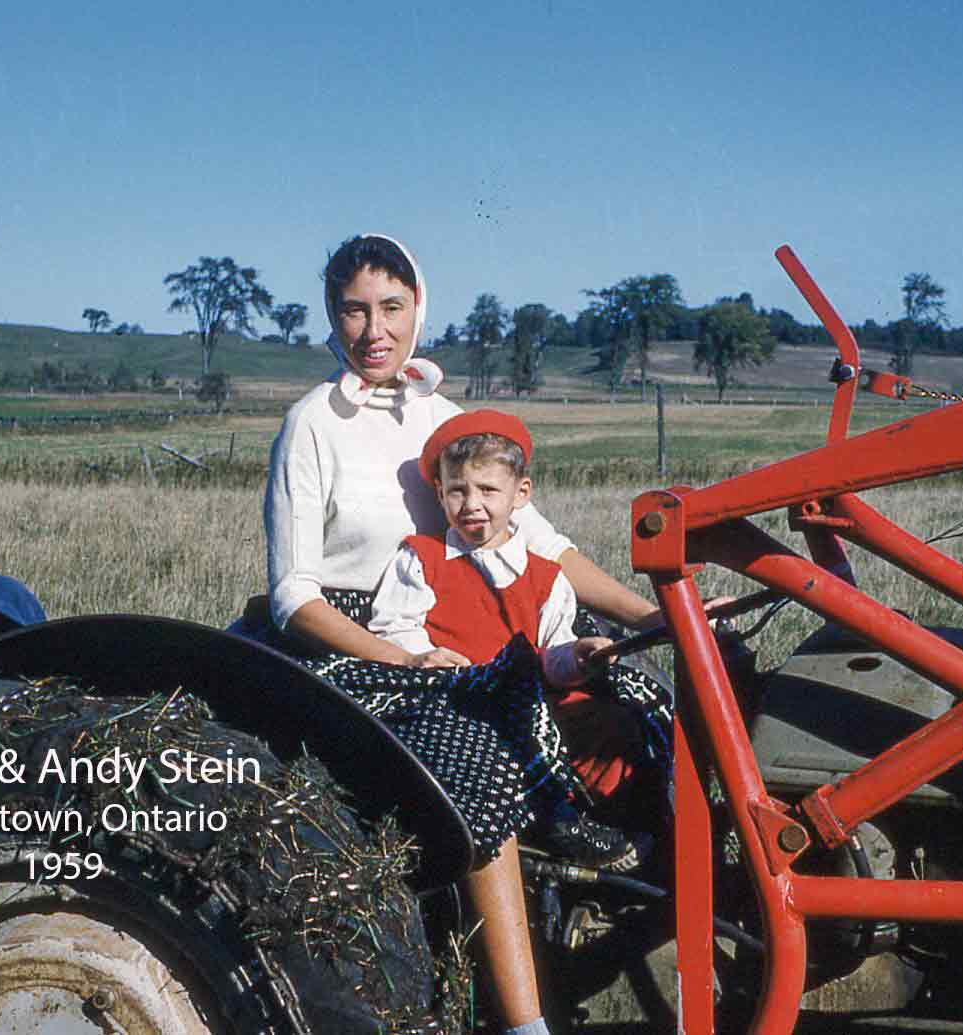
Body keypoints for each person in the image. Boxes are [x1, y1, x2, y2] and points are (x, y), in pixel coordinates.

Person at [259, 233, 669, 1035]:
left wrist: (650, 618)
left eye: (392, 307)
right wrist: (405, 658)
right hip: (360, 644)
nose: (374, 329)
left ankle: (649, 923)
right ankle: (524, 1022)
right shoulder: (311, 424)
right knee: (479, 761)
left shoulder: (446, 420)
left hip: (471, 624)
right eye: (353, 310)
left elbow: (540, 545)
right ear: (331, 317)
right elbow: (292, 598)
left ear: (419, 308)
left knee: (646, 701)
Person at [369, 408, 667, 870]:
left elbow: (555, 650)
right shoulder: (421, 558)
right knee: (514, 730)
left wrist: (580, 656)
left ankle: (631, 825)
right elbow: (394, 624)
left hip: (534, 692)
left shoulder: (546, 576)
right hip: (458, 693)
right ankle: (556, 820)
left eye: (488, 490)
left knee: (614, 723)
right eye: (457, 491)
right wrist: (421, 654)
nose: (472, 504)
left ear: (520, 493)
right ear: (439, 494)